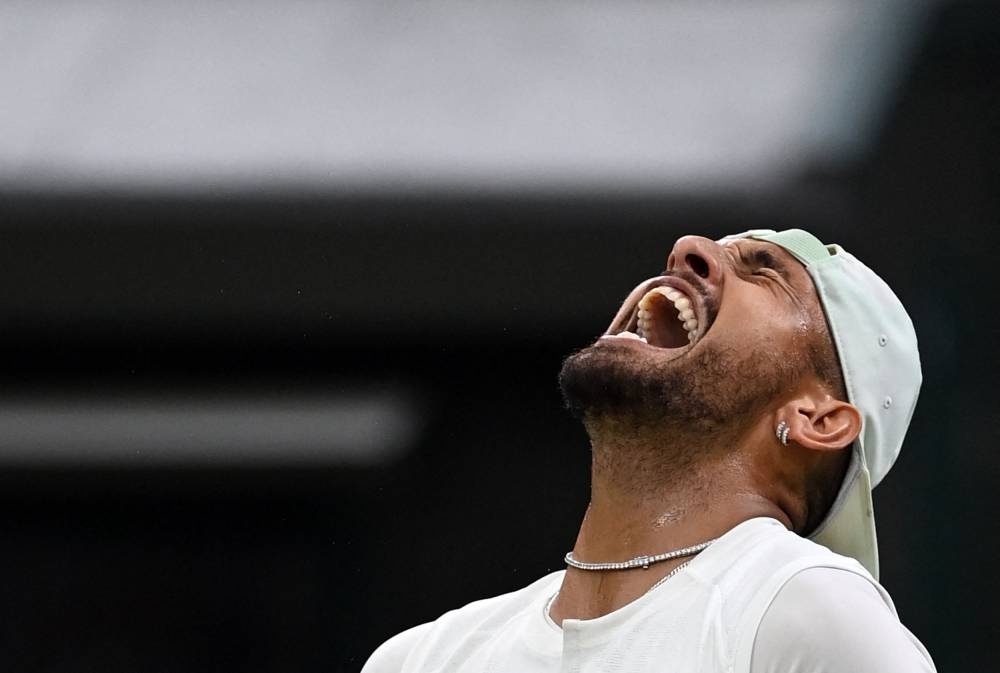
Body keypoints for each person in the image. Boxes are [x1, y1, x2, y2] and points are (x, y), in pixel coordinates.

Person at [362, 229, 936, 672]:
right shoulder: (420, 659)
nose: (688, 250)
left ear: (817, 420)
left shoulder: (808, 612)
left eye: (763, 274)